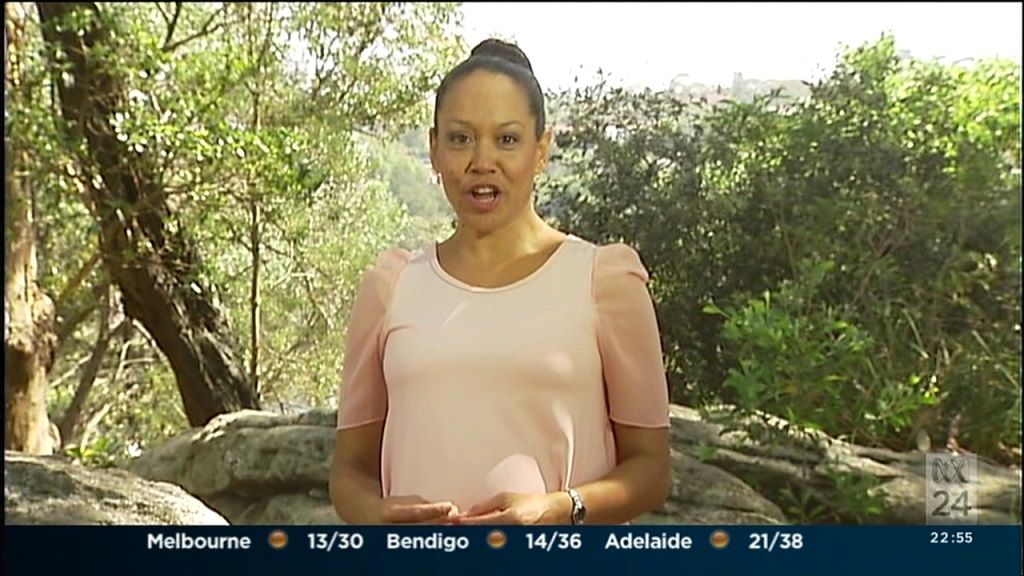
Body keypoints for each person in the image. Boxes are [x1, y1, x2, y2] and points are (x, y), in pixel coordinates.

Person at [329, 38, 671, 526]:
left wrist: (560, 508)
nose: (482, 161)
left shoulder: (605, 282)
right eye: (460, 139)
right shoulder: (391, 288)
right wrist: (376, 514)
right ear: (434, 149)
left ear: (541, 150)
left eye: (506, 140)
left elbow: (651, 470)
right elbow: (349, 471)